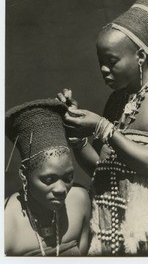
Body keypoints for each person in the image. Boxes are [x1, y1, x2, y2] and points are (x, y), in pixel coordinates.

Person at [57, 0, 148, 256]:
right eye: (100, 62)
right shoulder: (117, 100)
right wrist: (77, 138)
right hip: (107, 234)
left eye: (112, 61)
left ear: (140, 56)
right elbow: (100, 169)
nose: (104, 69)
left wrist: (105, 129)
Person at [5, 99, 91, 256]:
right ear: (24, 174)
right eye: (49, 180)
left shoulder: (79, 202)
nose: (61, 189)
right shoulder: (6, 223)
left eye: (68, 177)